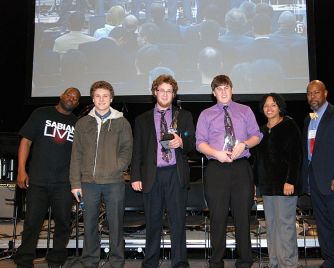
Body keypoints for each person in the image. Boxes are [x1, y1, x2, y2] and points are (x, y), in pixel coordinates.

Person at [195, 74, 262, 268]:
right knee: (218, 217)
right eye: (219, 89)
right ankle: (216, 262)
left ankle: (245, 261)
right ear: (213, 93)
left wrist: (245, 144)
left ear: (231, 89)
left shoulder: (245, 110)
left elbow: (257, 135)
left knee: (242, 217)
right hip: (216, 169)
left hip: (241, 168)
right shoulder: (206, 114)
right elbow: (199, 143)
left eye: (226, 88)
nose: (223, 92)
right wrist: (216, 154)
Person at [131, 74, 195, 268]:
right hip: (152, 175)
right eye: (162, 90)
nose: (165, 94)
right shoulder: (142, 119)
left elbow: (192, 143)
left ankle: (180, 263)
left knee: (177, 222)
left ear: (173, 94)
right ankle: (150, 262)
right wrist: (135, 176)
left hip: (175, 173)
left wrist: (181, 141)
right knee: (153, 223)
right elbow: (138, 151)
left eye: (169, 91)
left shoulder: (184, 116)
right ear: (155, 92)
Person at [14, 87, 81, 268]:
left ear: (77, 103)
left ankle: (56, 261)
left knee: (63, 226)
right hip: (38, 181)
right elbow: (26, 141)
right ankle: (24, 261)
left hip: (64, 184)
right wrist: (21, 170)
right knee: (32, 224)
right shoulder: (41, 113)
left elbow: (80, 155)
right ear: (61, 96)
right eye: (69, 94)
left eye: (75, 98)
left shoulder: (78, 123)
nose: (71, 98)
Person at [69, 80, 133, 268]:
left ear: (111, 98)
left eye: (105, 96)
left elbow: (127, 149)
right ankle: (90, 261)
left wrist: (117, 166)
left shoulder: (122, 122)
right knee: (89, 225)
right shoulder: (82, 123)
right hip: (88, 183)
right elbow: (76, 154)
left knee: (115, 225)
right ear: (93, 99)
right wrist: (75, 183)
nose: (102, 99)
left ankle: (117, 262)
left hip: (114, 182)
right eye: (98, 96)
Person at [301, 80, 334, 267]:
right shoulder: (310, 119)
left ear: (325, 93)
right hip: (315, 181)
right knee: (323, 225)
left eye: (316, 92)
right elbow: (310, 153)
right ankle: (331, 261)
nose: (312, 96)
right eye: (309, 93)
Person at [253, 93, 302, 268]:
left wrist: (291, 181)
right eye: (266, 105)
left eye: (273, 105)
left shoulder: (289, 125)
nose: (269, 108)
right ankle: (274, 263)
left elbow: (296, 157)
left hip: (285, 187)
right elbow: (257, 160)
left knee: (285, 227)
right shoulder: (261, 130)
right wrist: (256, 183)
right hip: (267, 187)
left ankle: (288, 264)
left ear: (280, 107)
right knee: (271, 227)